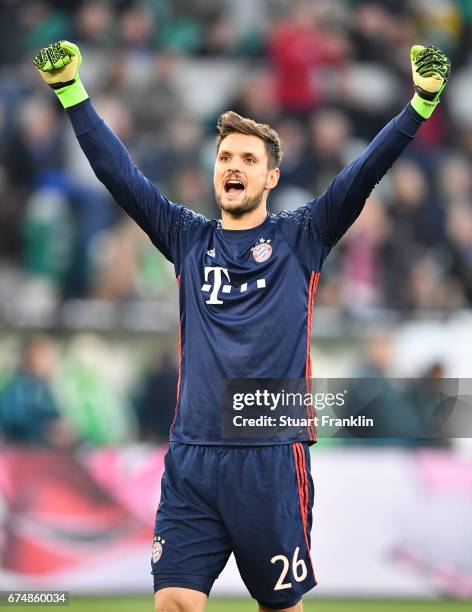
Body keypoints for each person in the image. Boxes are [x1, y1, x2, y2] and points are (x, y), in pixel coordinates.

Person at [33, 40, 450, 612]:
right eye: (226, 156)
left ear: (272, 177)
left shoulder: (302, 236)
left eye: (249, 159)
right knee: (175, 601)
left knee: (279, 608)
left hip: (270, 459)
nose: (234, 166)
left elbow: (365, 172)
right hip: (192, 458)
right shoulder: (186, 238)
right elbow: (120, 176)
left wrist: (420, 105)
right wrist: (71, 93)